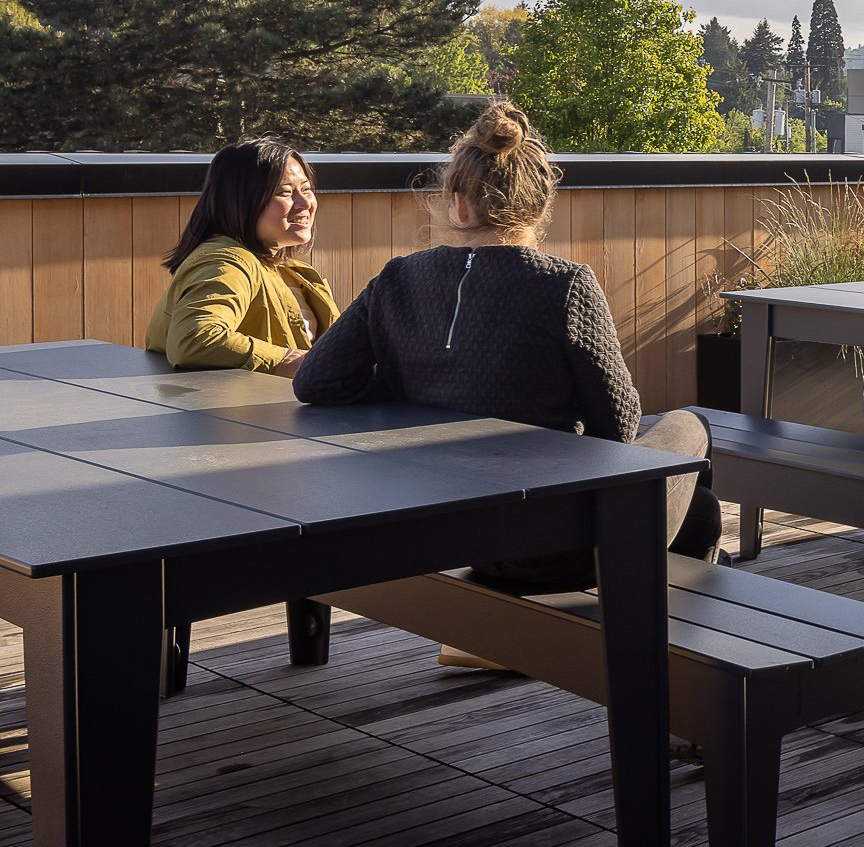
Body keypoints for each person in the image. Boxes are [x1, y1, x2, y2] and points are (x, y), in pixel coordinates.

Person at [294, 101, 720, 630]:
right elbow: (621, 426)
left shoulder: (398, 279)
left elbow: (317, 381)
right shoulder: (564, 284)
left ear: (458, 206)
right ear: (539, 207)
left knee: (700, 513)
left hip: (436, 534)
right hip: (554, 545)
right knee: (692, 428)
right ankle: (653, 646)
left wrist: (414, 384)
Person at [147, 137, 338, 372]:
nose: (304, 203)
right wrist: (294, 361)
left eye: (307, 189)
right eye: (285, 192)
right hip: (241, 407)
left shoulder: (294, 272)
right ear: (241, 200)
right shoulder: (226, 261)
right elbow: (194, 339)